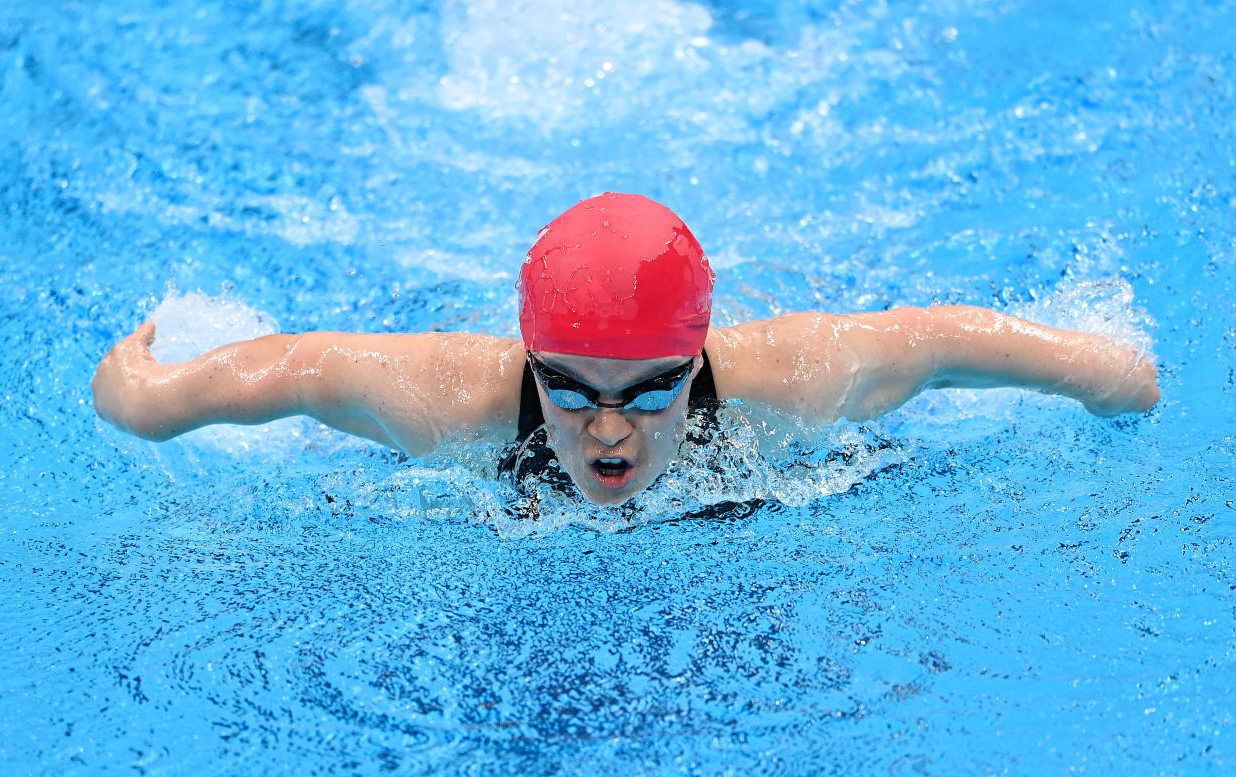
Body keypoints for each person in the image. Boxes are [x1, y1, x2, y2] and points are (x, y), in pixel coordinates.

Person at [92, 193, 1160, 505]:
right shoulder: (449, 399)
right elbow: (296, 368)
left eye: (651, 396)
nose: (608, 432)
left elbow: (933, 341)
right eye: (570, 391)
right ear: (528, 364)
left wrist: (1103, 370)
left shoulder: (786, 380)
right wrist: (142, 395)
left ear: (695, 367)